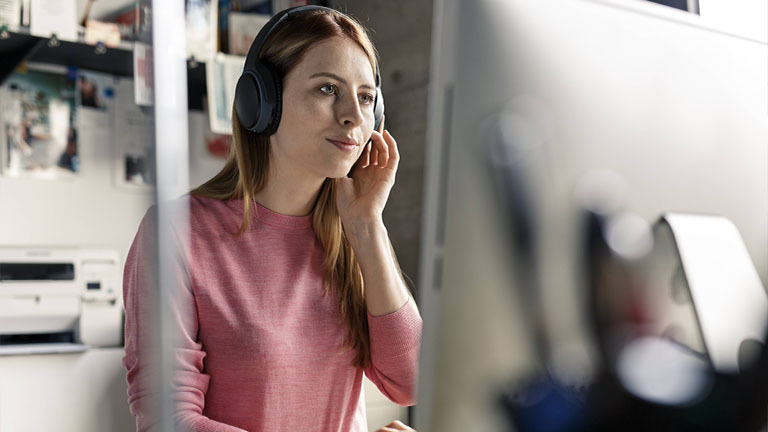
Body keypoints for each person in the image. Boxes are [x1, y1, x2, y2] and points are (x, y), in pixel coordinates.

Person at [122, 6, 422, 432]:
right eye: (327, 90)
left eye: (366, 96)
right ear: (262, 102)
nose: (354, 115)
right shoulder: (175, 232)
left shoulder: (354, 229)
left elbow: (410, 382)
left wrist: (368, 225)